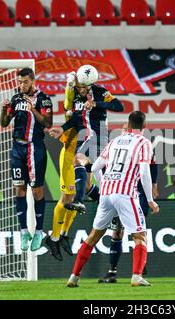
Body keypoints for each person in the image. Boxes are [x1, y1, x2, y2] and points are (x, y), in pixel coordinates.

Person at [66, 111, 159, 288]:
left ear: (129, 125)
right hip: (125, 193)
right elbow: (145, 172)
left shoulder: (115, 140)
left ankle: (74, 277)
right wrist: (149, 200)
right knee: (140, 235)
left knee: (93, 236)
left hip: (107, 193)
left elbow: (95, 167)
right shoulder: (144, 142)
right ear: (144, 126)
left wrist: (105, 185)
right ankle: (137, 276)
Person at [50, 65, 124, 216]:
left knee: (77, 160)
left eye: (85, 86)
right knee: (88, 184)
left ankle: (79, 200)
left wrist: (97, 104)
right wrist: (62, 129)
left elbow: (119, 106)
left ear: (90, 85)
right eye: (79, 85)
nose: (81, 89)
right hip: (83, 138)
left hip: (96, 136)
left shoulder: (100, 92)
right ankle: (114, 215)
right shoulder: (77, 96)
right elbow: (77, 118)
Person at [0, 67, 53, 252]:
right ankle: (24, 232)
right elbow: (4, 123)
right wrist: (3, 110)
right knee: (19, 190)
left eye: (25, 82)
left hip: (34, 147)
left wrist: (33, 110)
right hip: (17, 148)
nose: (21, 85)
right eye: (19, 82)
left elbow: (48, 123)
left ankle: (38, 231)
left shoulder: (43, 99)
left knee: (37, 192)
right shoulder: (16, 98)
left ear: (33, 81)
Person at [98, 124, 159, 284]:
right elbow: (106, 168)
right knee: (117, 231)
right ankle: (112, 271)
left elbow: (152, 166)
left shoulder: (144, 145)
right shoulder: (116, 145)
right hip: (120, 191)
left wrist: (154, 186)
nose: (126, 132)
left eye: (127, 129)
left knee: (137, 232)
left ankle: (138, 268)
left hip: (136, 193)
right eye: (123, 129)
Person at [44, 72, 80, 261]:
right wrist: (69, 84)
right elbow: (67, 103)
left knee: (76, 198)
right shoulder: (74, 110)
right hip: (69, 156)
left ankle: (64, 234)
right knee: (68, 196)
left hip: (83, 157)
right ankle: (55, 238)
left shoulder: (91, 107)